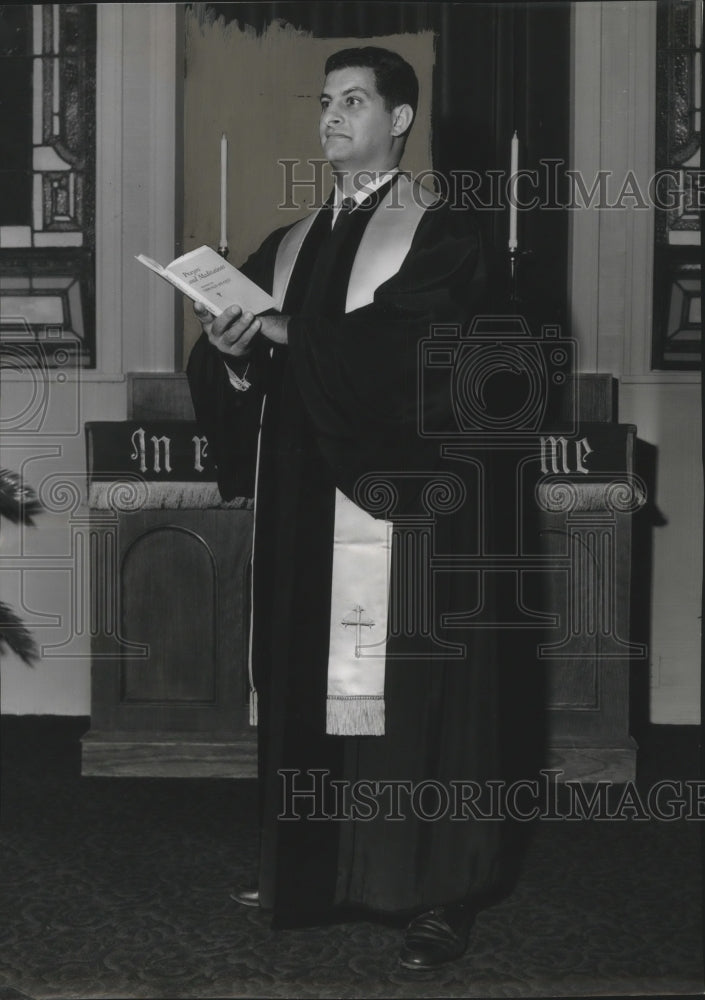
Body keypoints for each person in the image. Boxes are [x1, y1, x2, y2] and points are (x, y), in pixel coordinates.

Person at [187, 46, 506, 970]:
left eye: (353, 101)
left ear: (399, 121)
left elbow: (428, 351)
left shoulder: (441, 232)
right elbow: (247, 363)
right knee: (312, 687)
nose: (329, 117)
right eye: (324, 102)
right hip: (302, 508)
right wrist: (235, 345)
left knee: (402, 697)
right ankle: (315, 866)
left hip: (396, 510)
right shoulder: (291, 241)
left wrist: (292, 333)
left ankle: (433, 893)